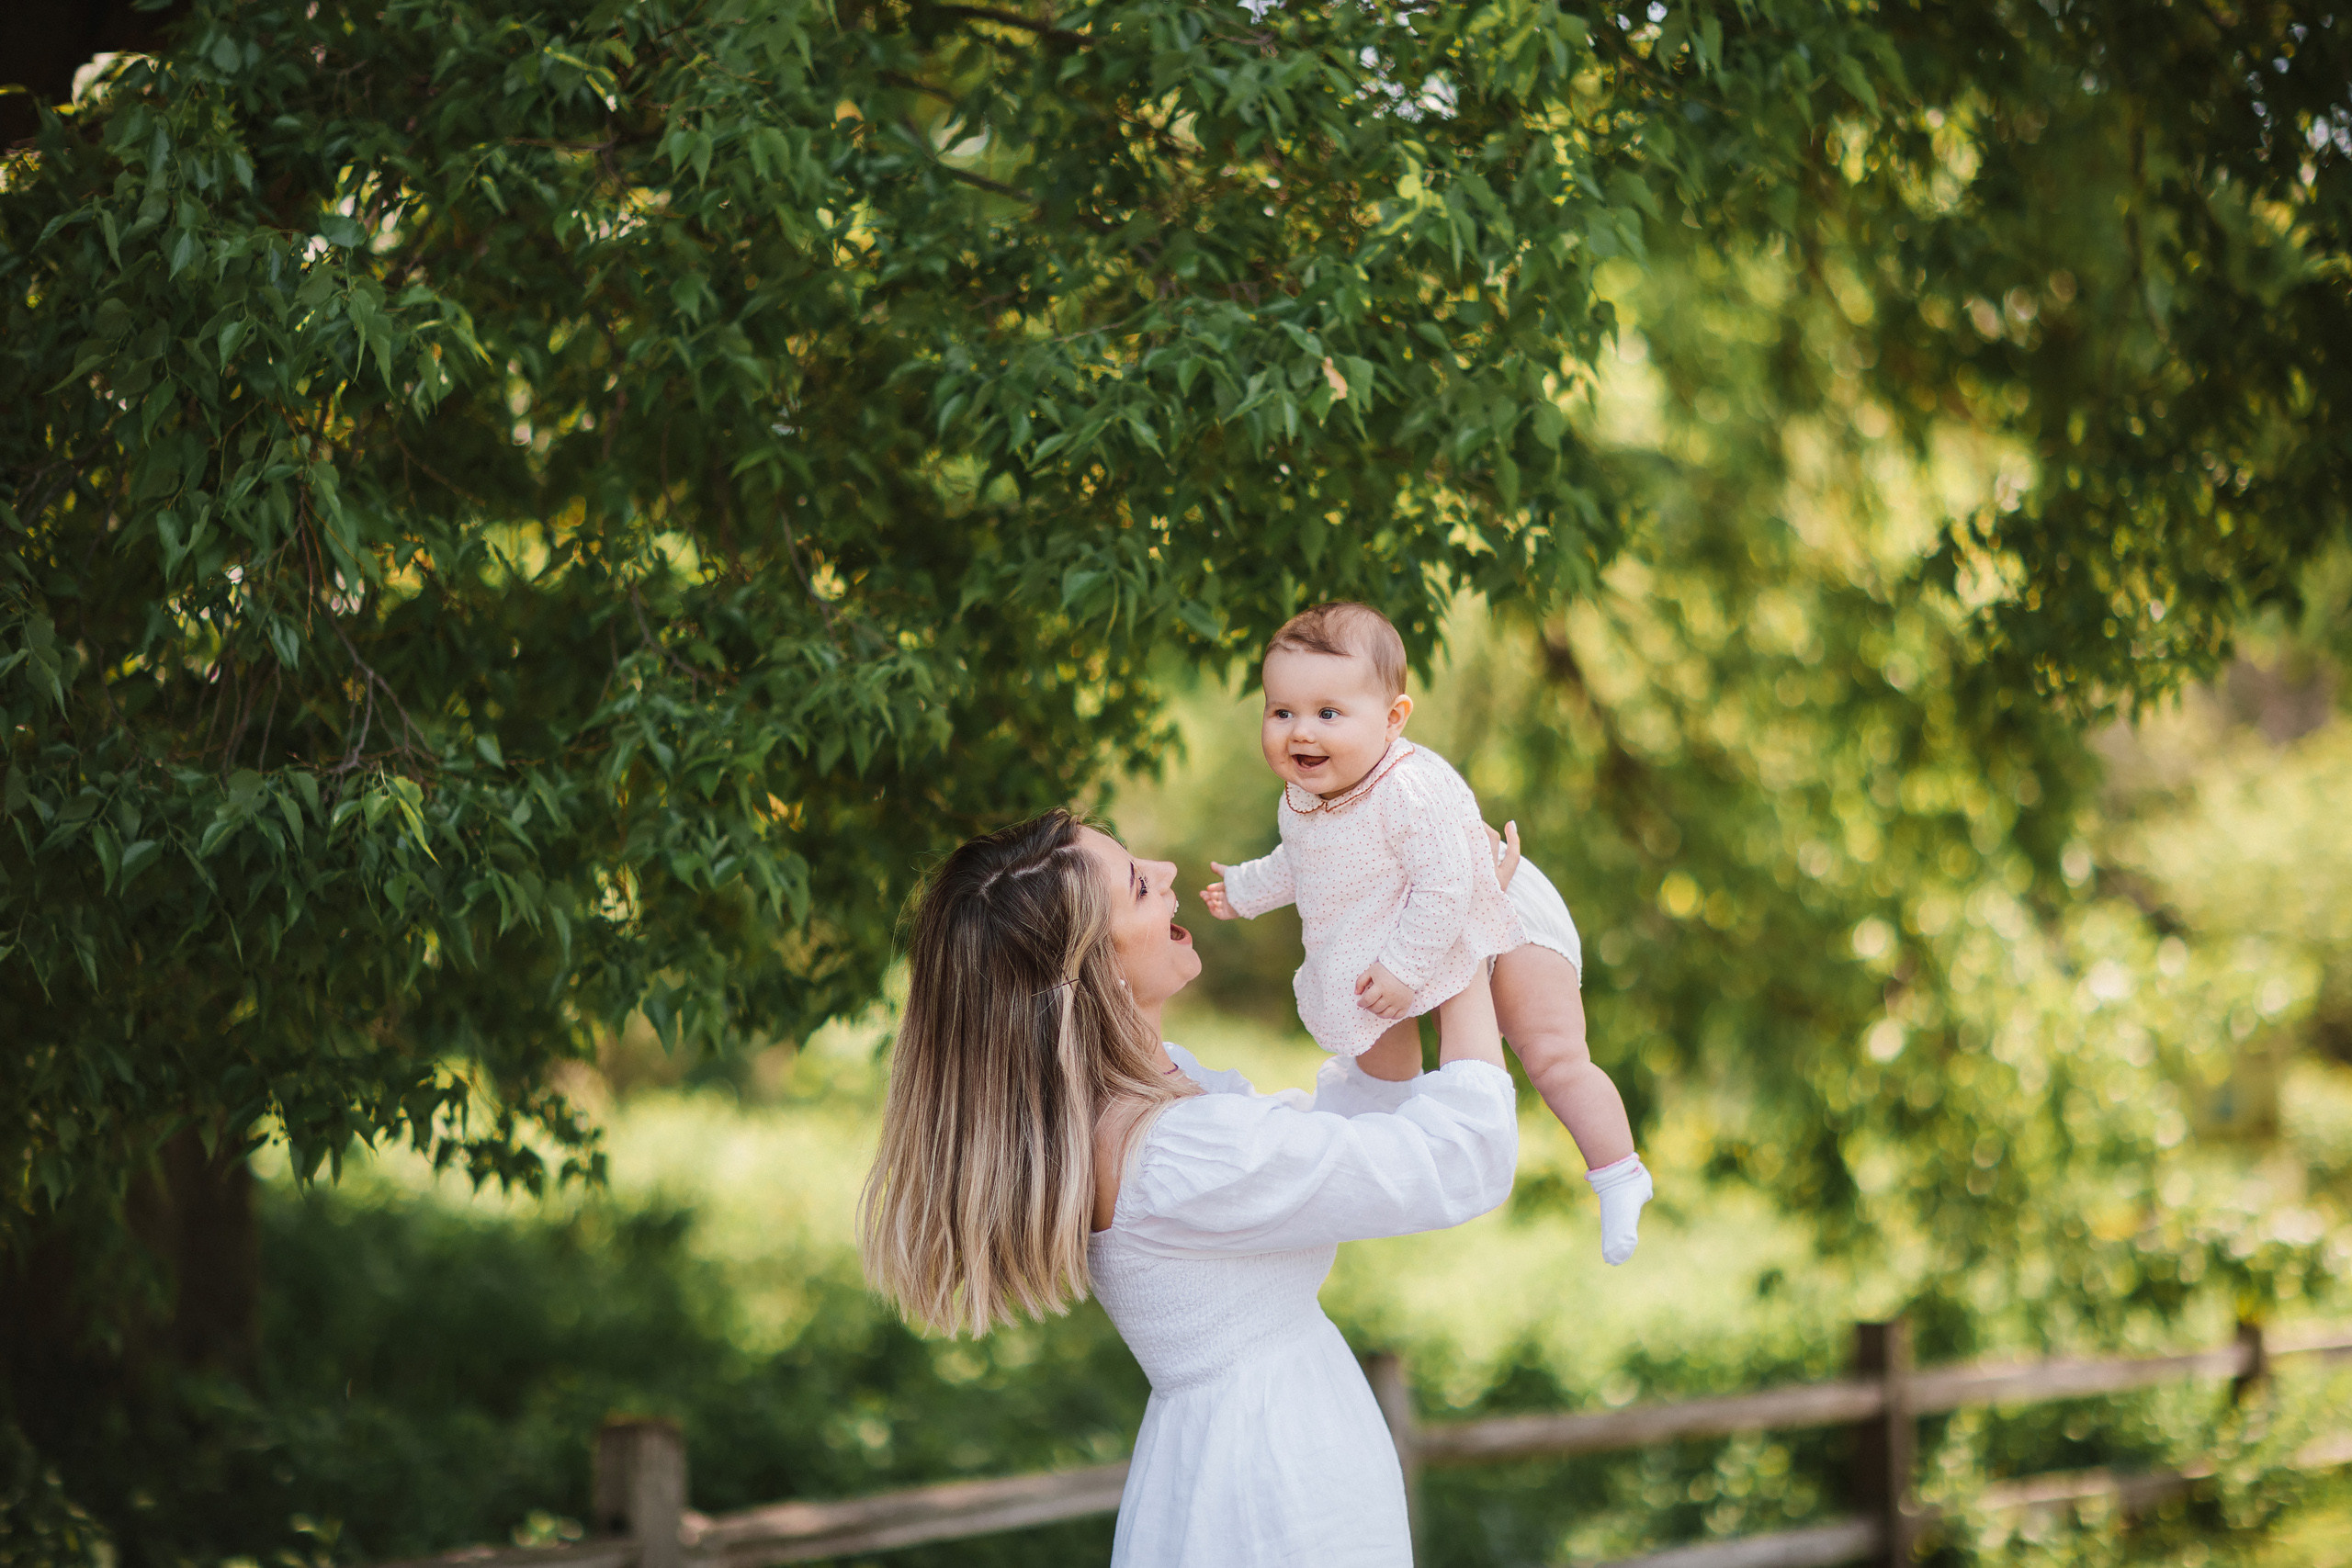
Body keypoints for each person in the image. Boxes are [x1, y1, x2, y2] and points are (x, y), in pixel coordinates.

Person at [860, 808, 1518, 1567]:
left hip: (1241, 1456)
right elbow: (1466, 1156)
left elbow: (1345, 1144)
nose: (1169, 874)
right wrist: (1464, 937)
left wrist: (1390, 942)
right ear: (1101, 969)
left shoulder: (1148, 1101)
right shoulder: (1171, 1153)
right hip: (1275, 1493)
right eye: (1141, 886)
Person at [1200, 602, 1654, 1265]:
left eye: (1329, 713)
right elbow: (1299, 861)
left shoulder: (1410, 789)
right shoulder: (1302, 799)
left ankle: (1619, 1172)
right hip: (1398, 927)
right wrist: (1244, 890)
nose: (1302, 731)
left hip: (1501, 913)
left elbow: (1449, 889)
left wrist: (1406, 970)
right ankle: (1374, 1144)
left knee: (1552, 1054)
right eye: (1281, 711)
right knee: (1375, 1035)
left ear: (1392, 720)